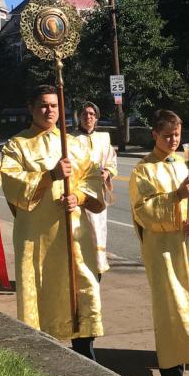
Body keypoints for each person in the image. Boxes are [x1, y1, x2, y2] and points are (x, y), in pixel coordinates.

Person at [0, 85, 104, 359]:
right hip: (37, 236)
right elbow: (12, 183)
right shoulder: (17, 145)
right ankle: (42, 352)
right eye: (44, 105)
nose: (50, 110)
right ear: (31, 109)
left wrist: (79, 197)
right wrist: (50, 175)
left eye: (55, 105)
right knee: (41, 290)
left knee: (82, 288)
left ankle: (85, 351)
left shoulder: (73, 144)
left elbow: (92, 178)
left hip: (72, 235)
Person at [130, 110, 189, 376]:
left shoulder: (185, 164)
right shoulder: (143, 169)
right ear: (154, 134)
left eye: (177, 135)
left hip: (188, 248)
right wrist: (175, 198)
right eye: (167, 135)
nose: (173, 140)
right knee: (171, 309)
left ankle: (180, 362)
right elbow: (142, 210)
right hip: (163, 251)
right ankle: (171, 373)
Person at [72, 101, 118, 274]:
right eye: (84, 114)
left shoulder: (104, 138)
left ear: (97, 118)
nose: (88, 117)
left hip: (98, 192)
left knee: (98, 229)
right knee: (81, 230)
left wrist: (107, 172)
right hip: (79, 191)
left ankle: (97, 267)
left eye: (91, 114)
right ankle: (80, 267)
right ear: (79, 118)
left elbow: (112, 161)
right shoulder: (71, 139)